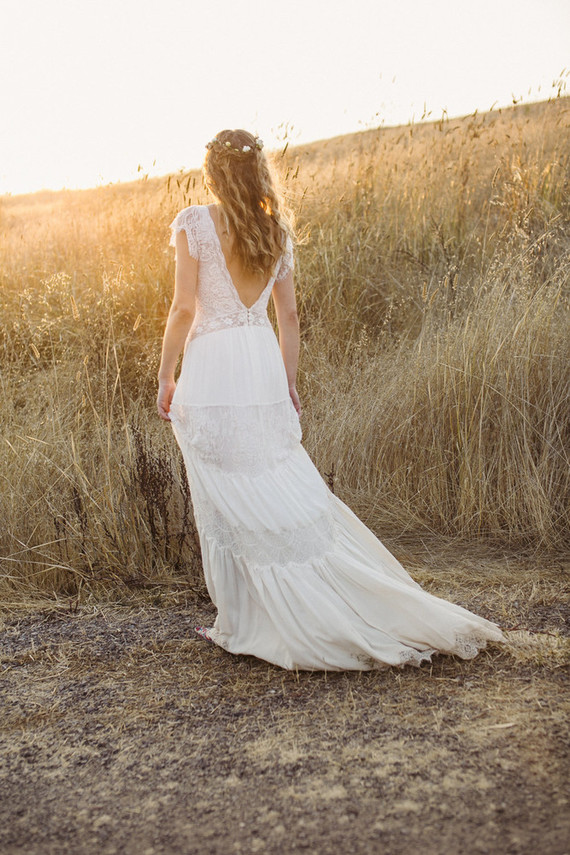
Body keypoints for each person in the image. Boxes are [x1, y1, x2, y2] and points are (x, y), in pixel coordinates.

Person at [157, 128, 505, 671]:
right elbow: (289, 319)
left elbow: (182, 309)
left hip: (214, 369)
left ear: (213, 174)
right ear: (258, 171)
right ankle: (265, 610)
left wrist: (165, 375)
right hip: (260, 365)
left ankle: (247, 617)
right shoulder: (277, 231)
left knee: (227, 492)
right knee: (272, 482)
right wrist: (288, 382)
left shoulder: (195, 223)